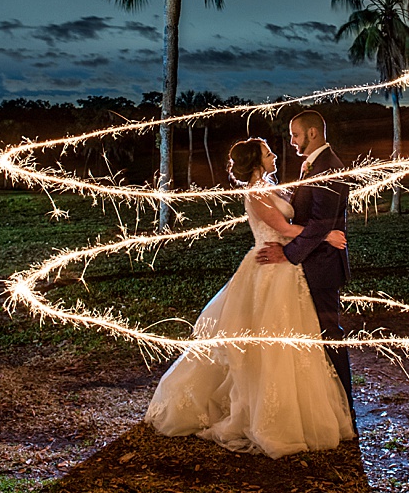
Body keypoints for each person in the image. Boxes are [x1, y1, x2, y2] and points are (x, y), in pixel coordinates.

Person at [144, 137, 355, 458]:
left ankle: (288, 406)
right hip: (267, 271)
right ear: (256, 161)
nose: (274, 157)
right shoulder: (256, 191)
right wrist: (325, 234)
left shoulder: (270, 185)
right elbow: (283, 228)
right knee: (266, 342)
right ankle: (261, 411)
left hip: (284, 269)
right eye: (268, 153)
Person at [255, 109, 355, 420]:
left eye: (295, 134)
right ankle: (321, 402)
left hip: (322, 266)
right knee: (314, 332)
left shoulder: (329, 168)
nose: (292, 140)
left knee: (329, 333)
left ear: (312, 133)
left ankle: (344, 408)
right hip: (311, 261)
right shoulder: (312, 166)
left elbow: (318, 222)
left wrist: (287, 254)